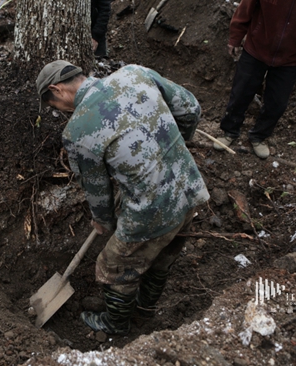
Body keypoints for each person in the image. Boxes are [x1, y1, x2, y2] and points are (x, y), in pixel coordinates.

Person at [35, 60, 210, 335]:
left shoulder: (78, 130)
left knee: (113, 265)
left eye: (54, 106)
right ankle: (144, 310)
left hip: (153, 209)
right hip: (188, 186)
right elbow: (191, 109)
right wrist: (172, 145)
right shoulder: (134, 73)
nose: (60, 112)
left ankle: (115, 325)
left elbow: (97, 189)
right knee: (162, 254)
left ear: (57, 90)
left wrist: (103, 221)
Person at [215, 0, 296, 158]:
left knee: (277, 103)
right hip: (256, 46)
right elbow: (247, 5)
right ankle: (229, 131)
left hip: (290, 57)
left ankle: (259, 136)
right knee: (241, 92)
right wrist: (236, 36)